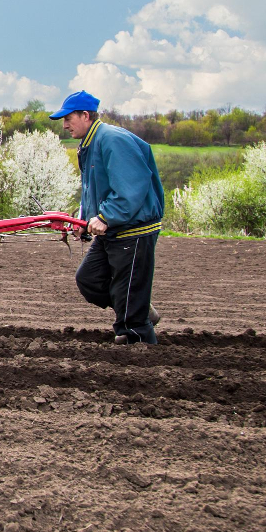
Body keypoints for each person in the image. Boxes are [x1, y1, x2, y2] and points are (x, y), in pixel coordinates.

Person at [50, 90, 164, 344]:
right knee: (89, 280)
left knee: (129, 300)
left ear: (85, 115)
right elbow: (95, 188)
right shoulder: (90, 143)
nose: (65, 125)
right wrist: (85, 220)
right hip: (114, 228)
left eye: (68, 118)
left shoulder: (112, 140)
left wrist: (106, 216)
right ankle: (139, 307)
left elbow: (131, 186)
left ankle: (138, 341)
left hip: (133, 229)